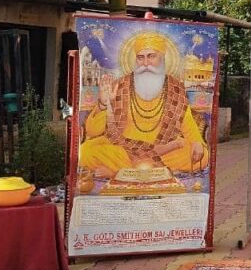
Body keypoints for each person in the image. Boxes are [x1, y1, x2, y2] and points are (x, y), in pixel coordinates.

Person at [79, 32, 209, 179]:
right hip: (123, 148)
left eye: (151, 56)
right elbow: (93, 130)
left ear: (162, 58)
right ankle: (153, 172)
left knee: (202, 155)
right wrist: (103, 103)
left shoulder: (175, 89)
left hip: (164, 149)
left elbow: (188, 124)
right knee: (85, 151)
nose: (146, 63)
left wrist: (197, 142)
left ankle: (119, 172)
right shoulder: (119, 86)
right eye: (141, 57)